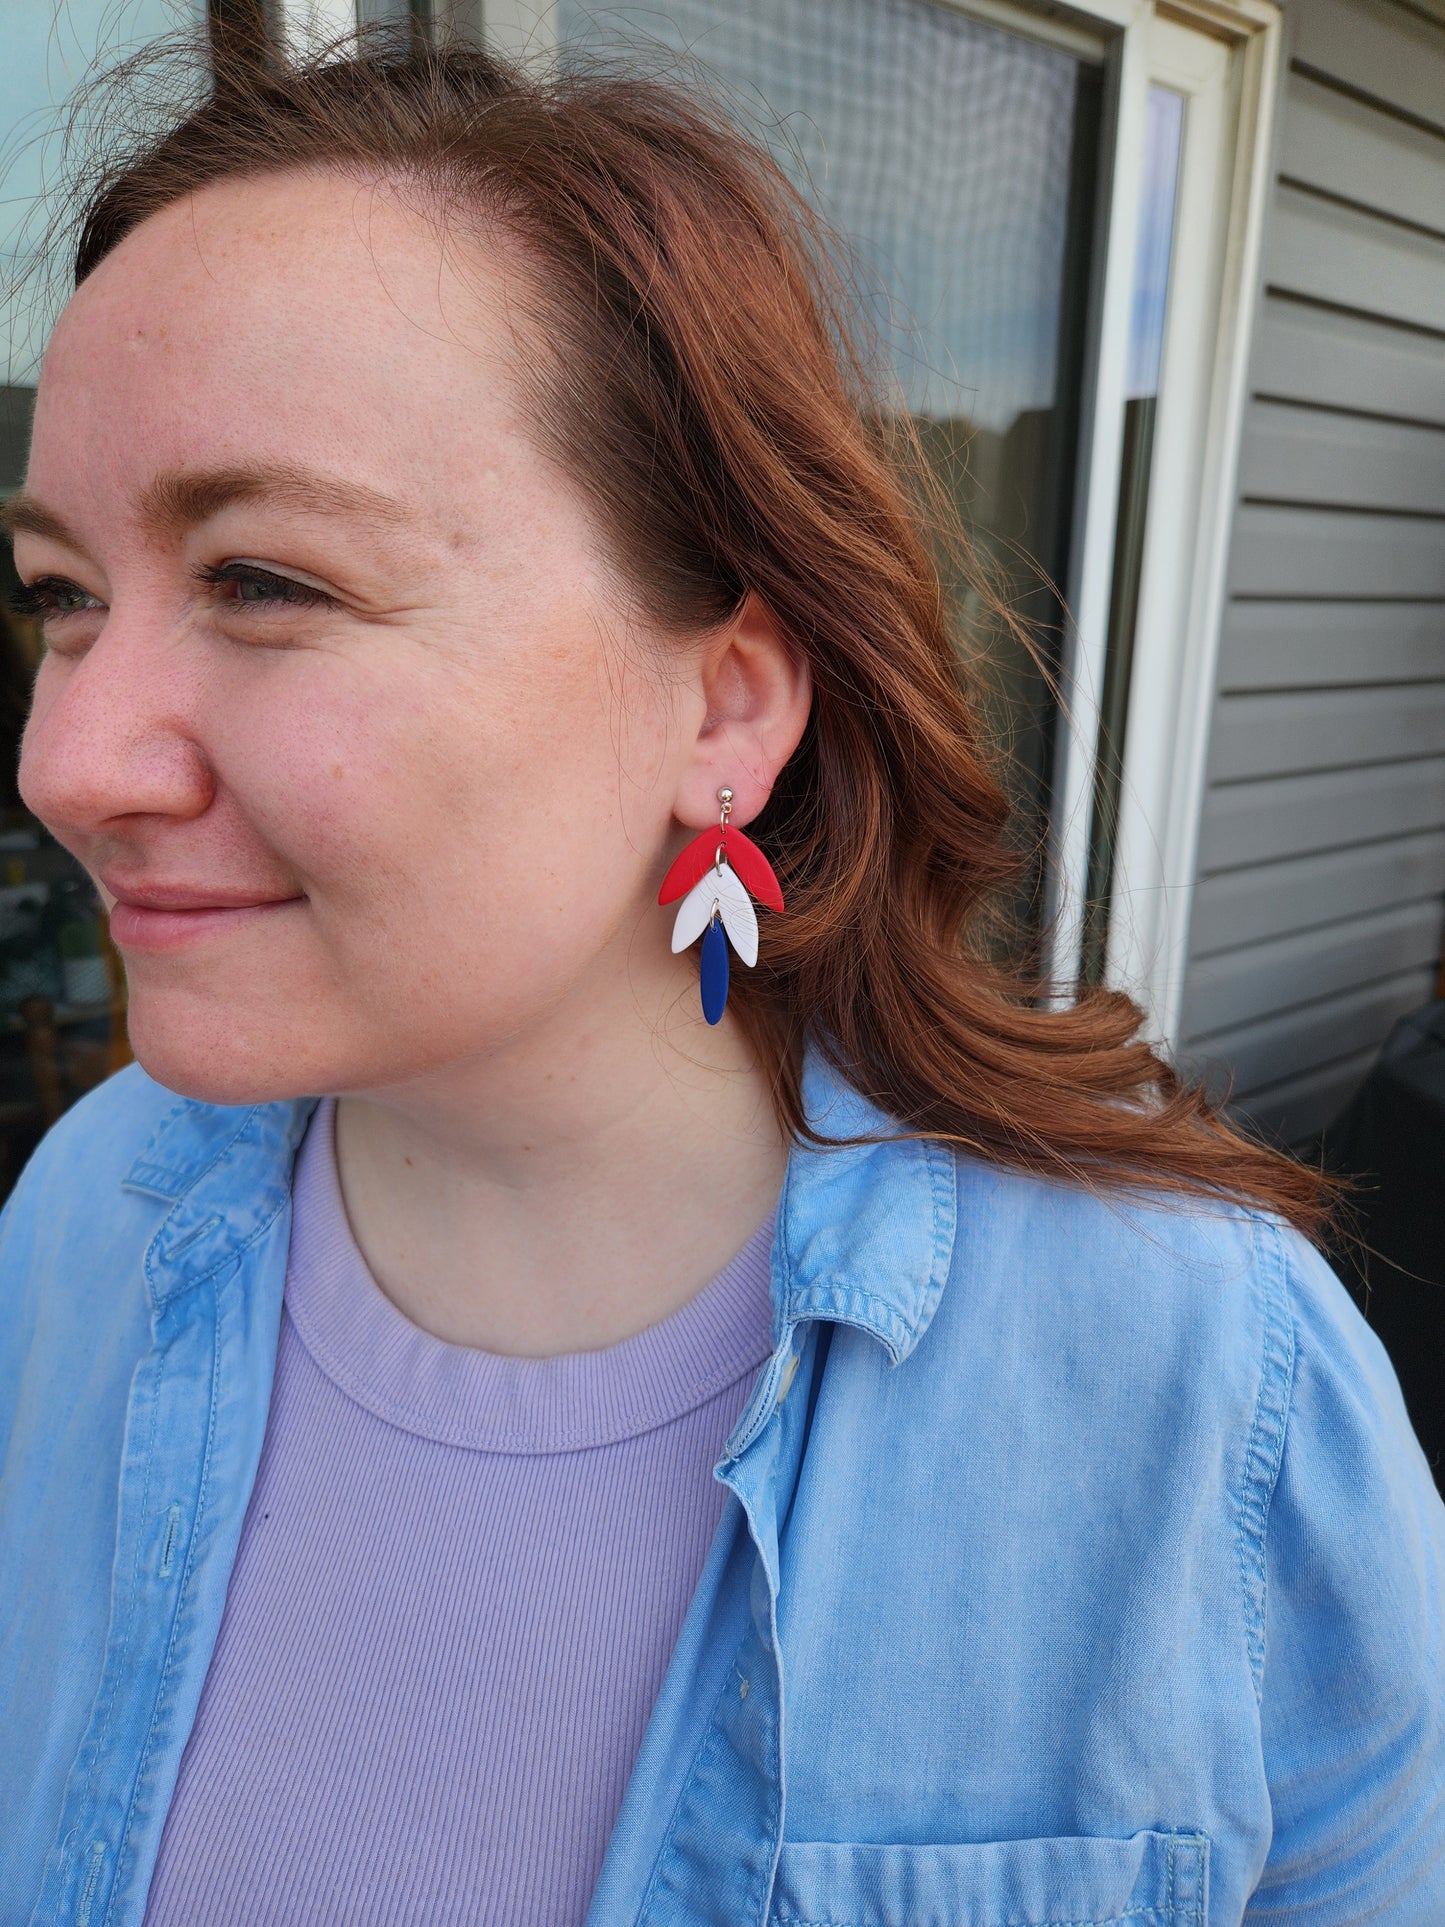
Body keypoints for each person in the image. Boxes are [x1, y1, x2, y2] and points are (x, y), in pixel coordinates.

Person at [1, 37, 1441, 1927]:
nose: (69, 758)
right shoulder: (87, 1222)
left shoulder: (1188, 1384)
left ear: (724, 702)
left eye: (268, 581)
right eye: (59, 597)